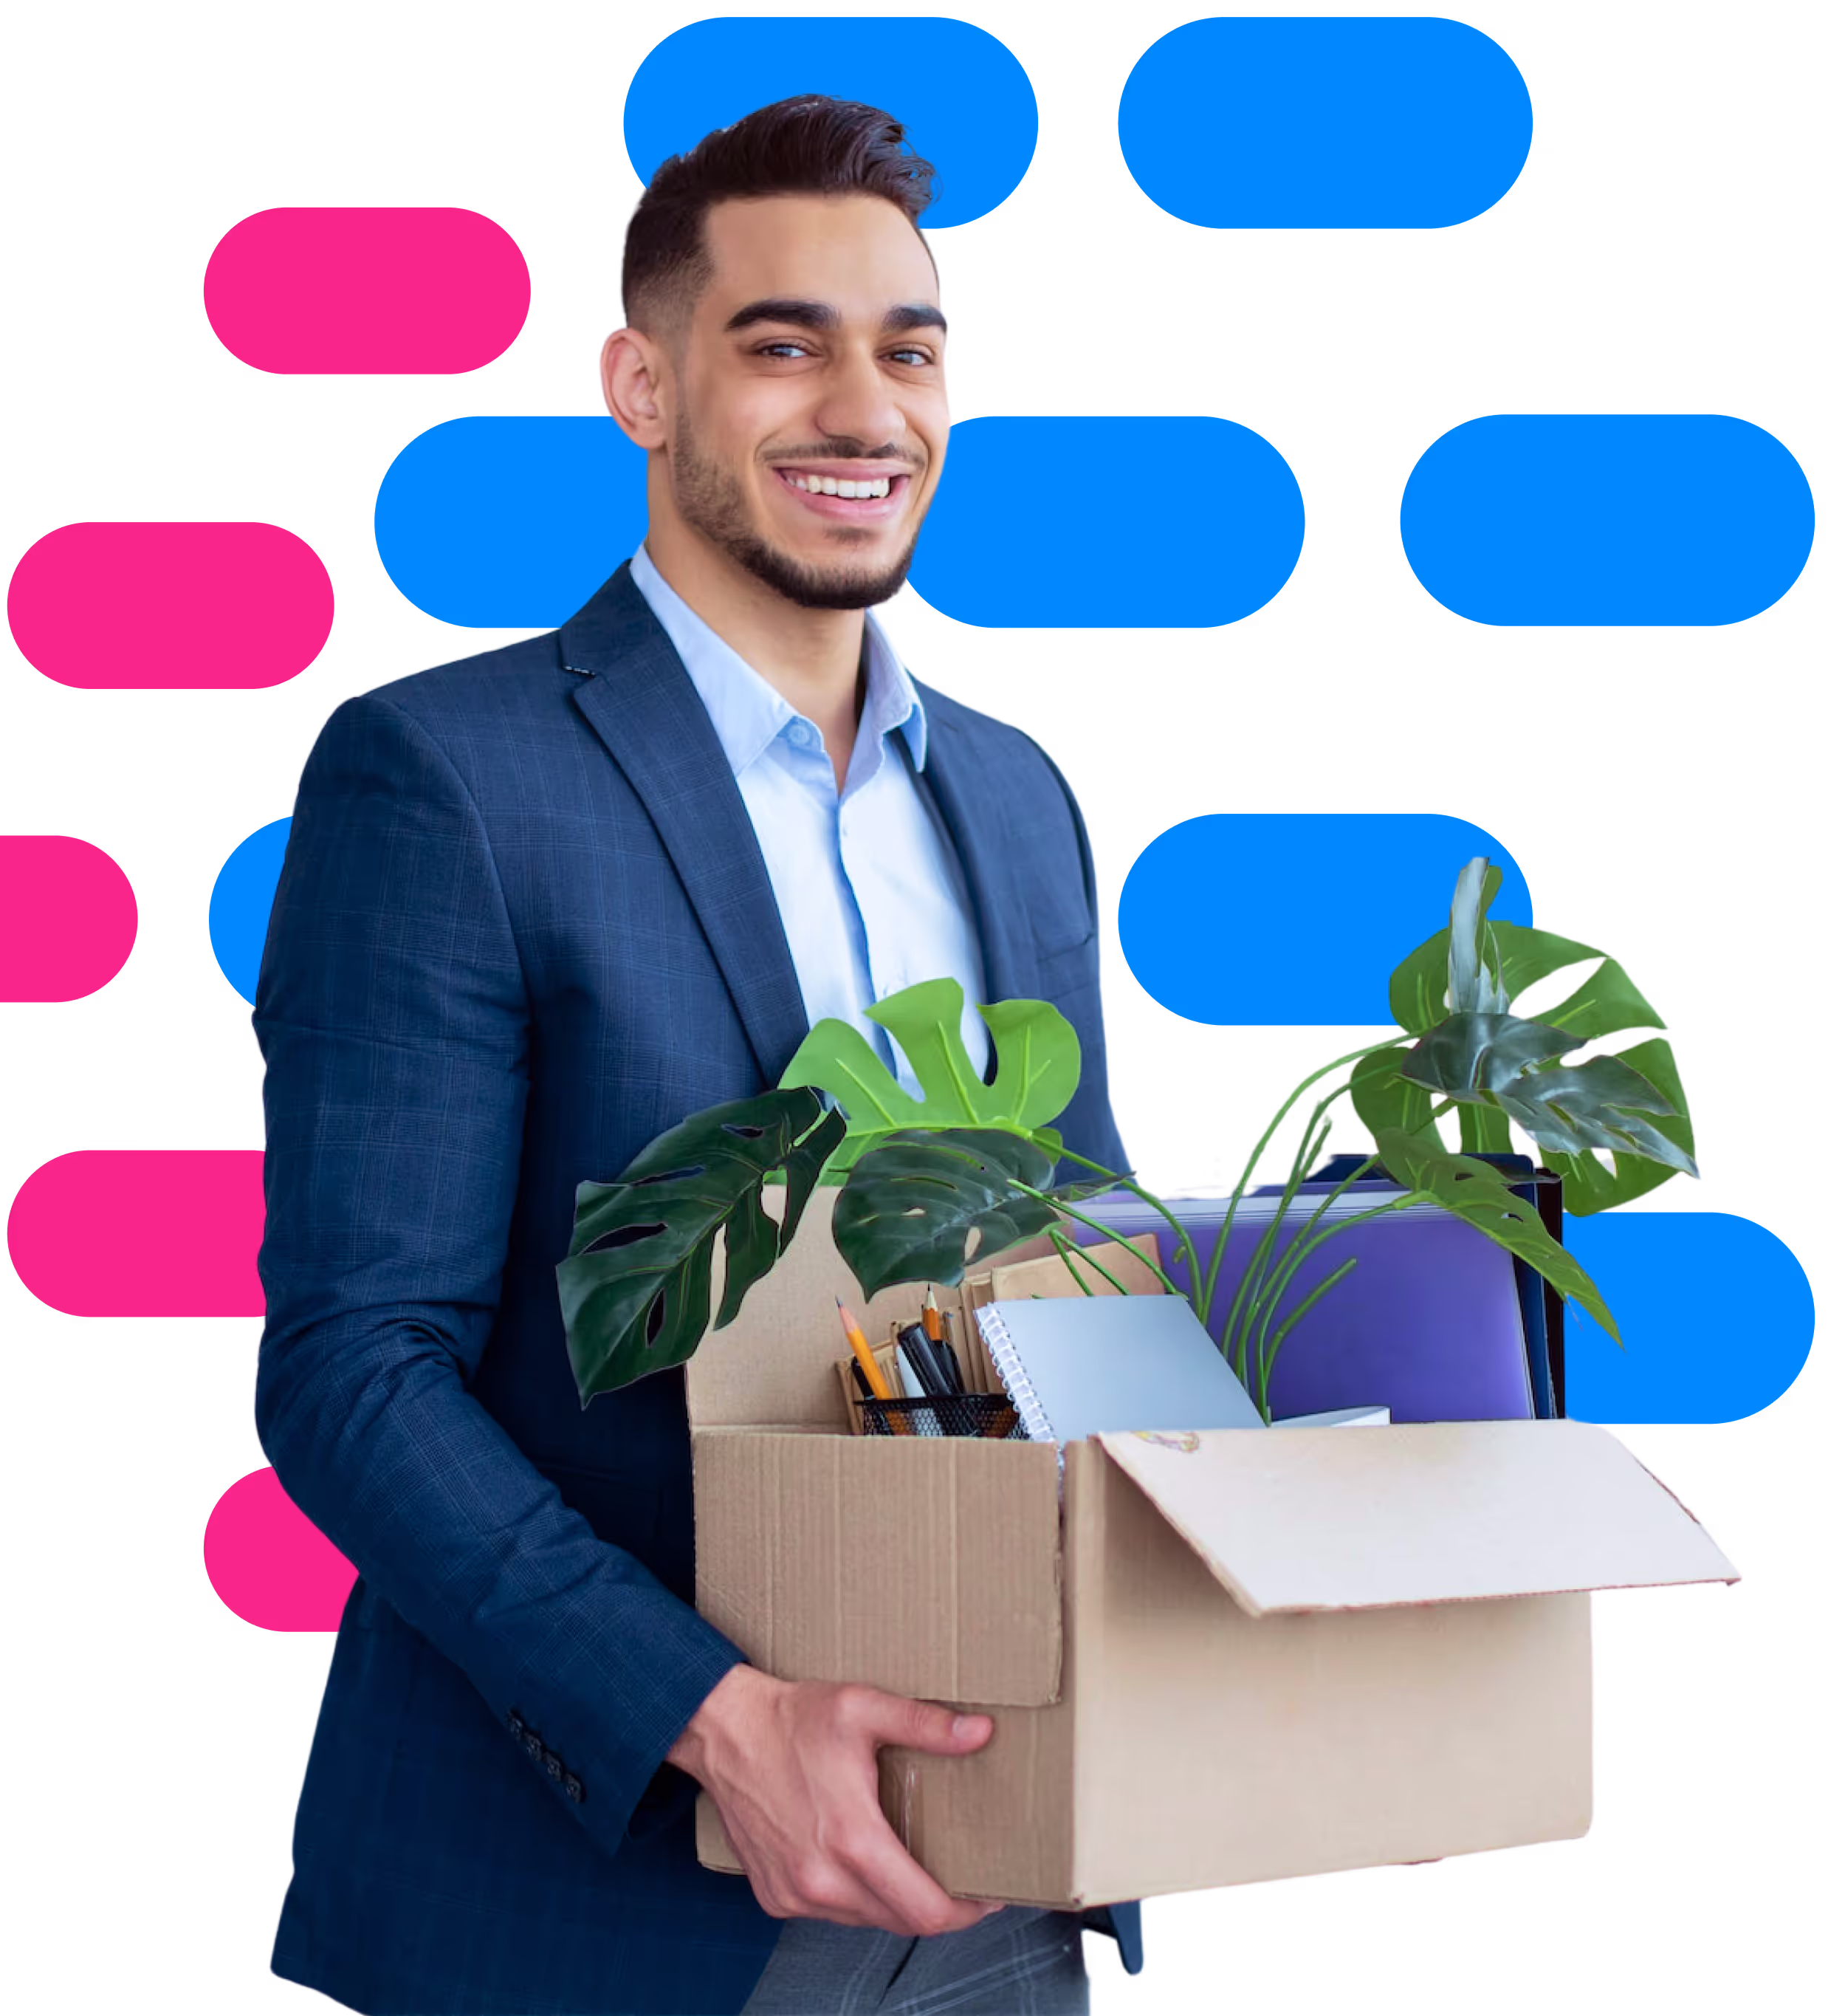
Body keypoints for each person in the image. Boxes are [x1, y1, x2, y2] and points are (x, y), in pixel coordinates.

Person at [252, 94, 1140, 2015]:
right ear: (640, 386)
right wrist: (715, 1717)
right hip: (604, 1903)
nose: (867, 409)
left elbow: (1089, 1269)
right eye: (785, 345)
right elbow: (352, 1371)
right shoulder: (444, 778)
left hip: (1015, 1876)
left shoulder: (1018, 796)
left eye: (910, 351)